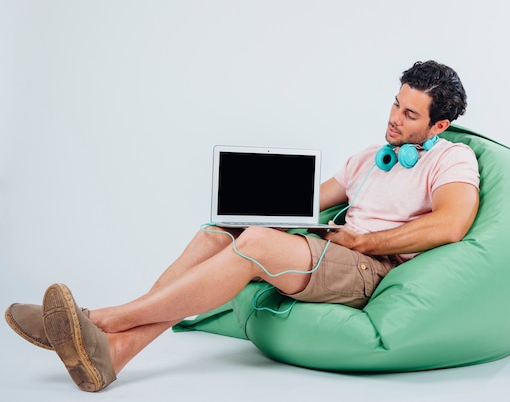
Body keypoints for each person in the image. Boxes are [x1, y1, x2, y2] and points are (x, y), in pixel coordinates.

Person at [5, 60, 480, 392]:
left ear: (438, 127)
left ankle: (100, 321)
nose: (394, 119)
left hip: (369, 268)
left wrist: (366, 240)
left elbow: (453, 223)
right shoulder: (368, 159)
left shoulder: (453, 158)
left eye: (410, 114)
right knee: (223, 231)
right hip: (331, 249)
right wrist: (251, 206)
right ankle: (116, 353)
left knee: (256, 245)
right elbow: (305, 203)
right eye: (395, 104)